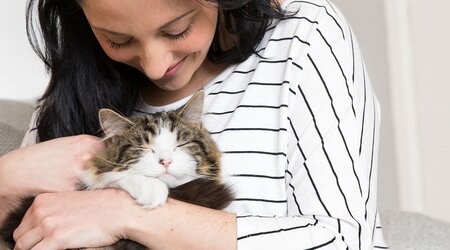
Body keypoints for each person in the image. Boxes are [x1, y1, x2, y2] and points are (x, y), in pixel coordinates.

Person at [0, 0, 389, 249]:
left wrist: (126, 212)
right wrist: (6, 175)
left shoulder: (303, 38)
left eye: (177, 29)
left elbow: (346, 241)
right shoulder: (78, 84)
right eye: (117, 39)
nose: (154, 66)